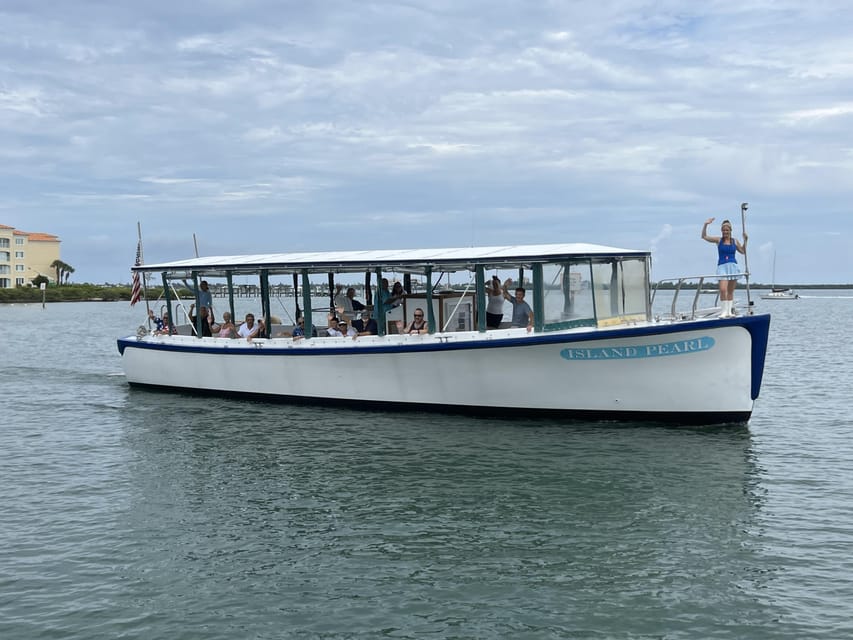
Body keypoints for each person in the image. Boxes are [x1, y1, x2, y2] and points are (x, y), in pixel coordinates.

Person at [702, 217, 748, 318]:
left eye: (727, 230)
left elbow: (743, 251)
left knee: (731, 291)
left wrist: (746, 240)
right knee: (723, 289)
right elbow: (704, 236)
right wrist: (706, 224)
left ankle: (729, 312)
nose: (725, 232)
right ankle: (724, 311)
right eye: (723, 230)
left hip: (733, 266)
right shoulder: (719, 240)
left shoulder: (734, 241)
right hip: (722, 266)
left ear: (730, 230)